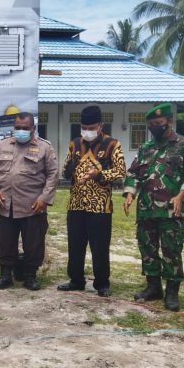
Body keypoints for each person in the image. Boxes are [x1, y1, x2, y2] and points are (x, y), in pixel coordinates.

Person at [123, 102, 184, 311]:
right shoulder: (146, 148)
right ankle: (153, 287)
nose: (154, 127)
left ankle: (172, 293)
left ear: (169, 122)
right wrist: (130, 193)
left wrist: (182, 195)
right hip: (146, 208)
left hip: (170, 209)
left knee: (171, 250)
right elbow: (133, 173)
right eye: (151, 124)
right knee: (147, 247)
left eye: (158, 123)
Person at [57, 105, 126, 296]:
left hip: (100, 207)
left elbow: (121, 171)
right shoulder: (75, 143)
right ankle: (76, 279)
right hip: (76, 203)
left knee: (100, 247)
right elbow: (65, 169)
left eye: (91, 127)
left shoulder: (113, 144)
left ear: (101, 125)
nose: (87, 131)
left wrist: (99, 174)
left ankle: (102, 283)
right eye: (84, 127)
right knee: (75, 244)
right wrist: (69, 169)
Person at [0, 112, 58, 290]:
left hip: (32, 205)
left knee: (33, 243)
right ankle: (5, 275)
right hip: (6, 204)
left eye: (25, 128)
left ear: (33, 129)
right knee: (6, 241)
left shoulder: (45, 148)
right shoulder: (3, 145)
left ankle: (30, 276)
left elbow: (52, 175)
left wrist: (44, 198)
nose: (20, 131)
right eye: (17, 128)